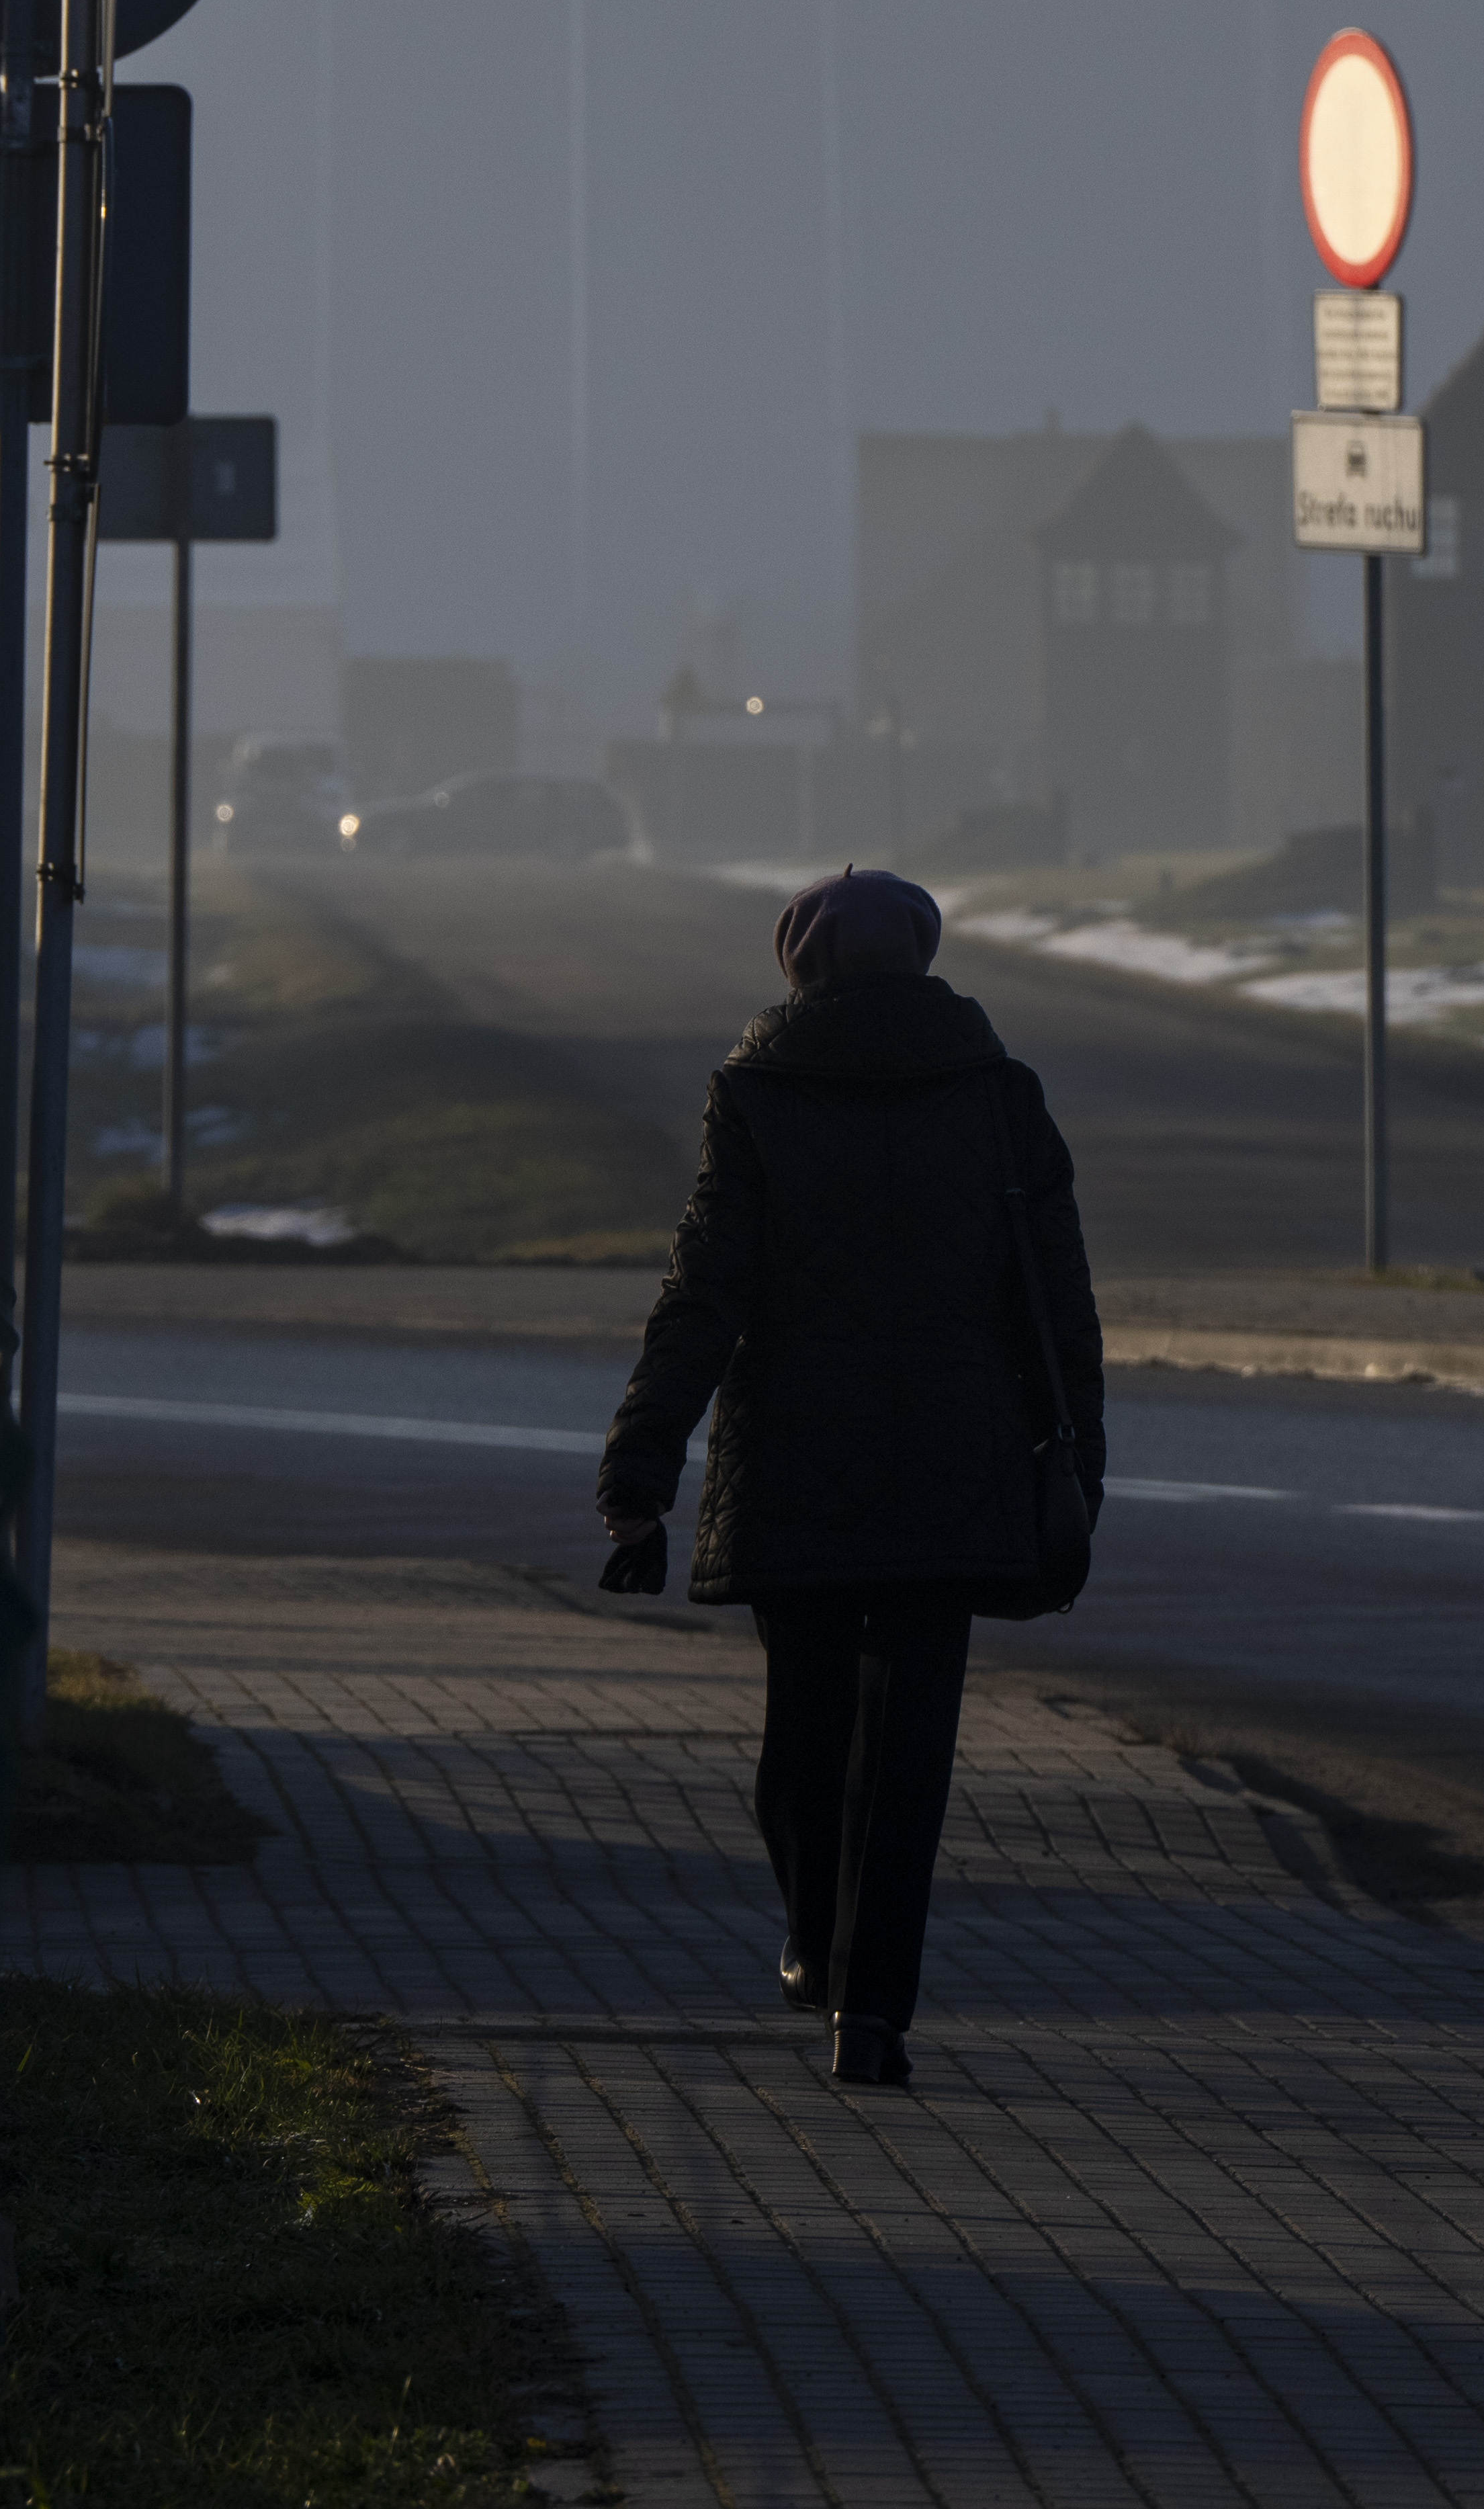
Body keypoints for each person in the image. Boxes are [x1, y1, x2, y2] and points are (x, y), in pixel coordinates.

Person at [597, 865, 1107, 2089]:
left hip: (794, 1463)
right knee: (910, 1753)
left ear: (801, 964)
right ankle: (871, 2009)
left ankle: (817, 1944)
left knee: (804, 1738)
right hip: (956, 1464)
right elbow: (1057, 1299)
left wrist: (642, 1459)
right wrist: (1077, 1461)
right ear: (920, 957)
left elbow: (705, 1288)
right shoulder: (998, 1090)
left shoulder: (756, 1092)